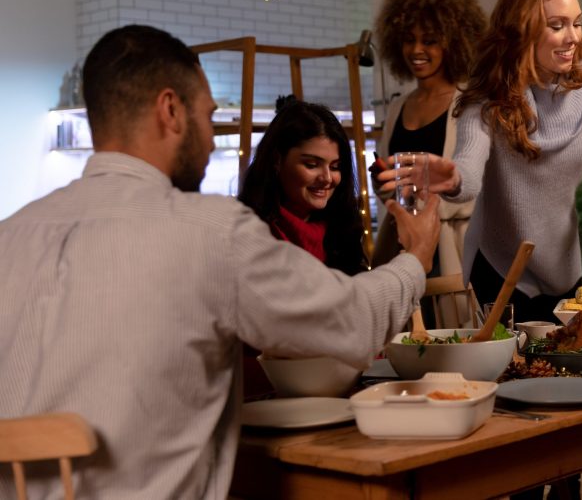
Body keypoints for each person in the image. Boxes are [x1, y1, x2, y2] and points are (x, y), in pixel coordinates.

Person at [0, 25, 440, 499]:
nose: (213, 140)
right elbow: (352, 322)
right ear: (170, 110)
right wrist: (415, 257)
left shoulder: (11, 235)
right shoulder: (210, 231)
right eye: (209, 117)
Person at [381, 0, 582, 323]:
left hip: (565, 267)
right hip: (500, 269)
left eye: (577, 23)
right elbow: (469, 174)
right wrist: (453, 178)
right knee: (516, 374)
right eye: (557, 25)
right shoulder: (487, 95)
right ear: (523, 31)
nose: (573, 37)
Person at [371, 0, 488, 280]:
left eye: (430, 40)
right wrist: (384, 187)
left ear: (455, 42)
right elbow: (392, 186)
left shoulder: (470, 105)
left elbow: (476, 184)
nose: (416, 49)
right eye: (409, 39)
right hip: (400, 248)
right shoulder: (398, 106)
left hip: (453, 251)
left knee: (452, 328)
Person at [239, 95, 367, 275]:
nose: (327, 178)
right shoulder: (246, 229)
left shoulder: (343, 227)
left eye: (335, 167)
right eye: (312, 165)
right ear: (277, 160)